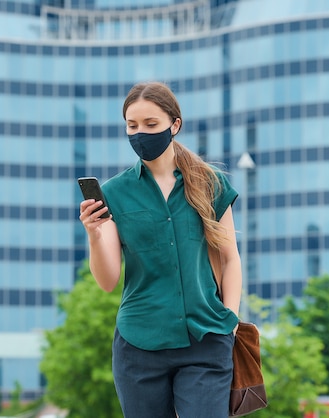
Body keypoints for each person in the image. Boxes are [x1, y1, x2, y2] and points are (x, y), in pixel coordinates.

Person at [78, 81, 243, 418]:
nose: (140, 134)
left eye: (150, 125)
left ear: (174, 125)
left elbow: (230, 259)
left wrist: (232, 320)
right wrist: (94, 234)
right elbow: (108, 280)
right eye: (132, 125)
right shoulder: (114, 192)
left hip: (206, 338)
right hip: (139, 346)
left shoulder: (211, 184)